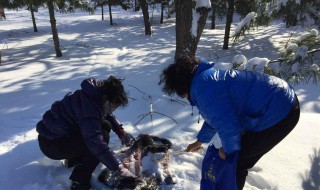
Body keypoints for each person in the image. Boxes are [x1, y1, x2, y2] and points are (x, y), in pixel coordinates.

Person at [159, 56, 300, 189]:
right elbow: (215, 117)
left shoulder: (203, 88)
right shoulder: (204, 80)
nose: (182, 97)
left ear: (182, 85)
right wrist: (200, 141)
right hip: (279, 97)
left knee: (237, 162)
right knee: (236, 156)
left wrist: (229, 151)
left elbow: (228, 125)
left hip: (279, 111)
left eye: (179, 93)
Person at [36, 76, 136, 190]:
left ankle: (75, 159)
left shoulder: (92, 95)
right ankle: (79, 182)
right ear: (106, 98)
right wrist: (119, 168)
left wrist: (120, 131)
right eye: (113, 106)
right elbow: (96, 143)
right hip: (52, 146)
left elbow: (106, 114)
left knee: (105, 125)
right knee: (101, 138)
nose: (113, 110)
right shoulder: (89, 109)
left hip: (53, 138)